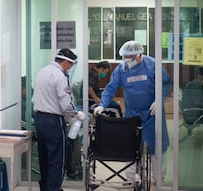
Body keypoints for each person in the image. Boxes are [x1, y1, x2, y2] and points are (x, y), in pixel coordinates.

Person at [93, 40, 171, 181]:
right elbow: (111, 88)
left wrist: (158, 100)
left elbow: (165, 83)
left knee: (156, 146)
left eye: (130, 58)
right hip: (132, 114)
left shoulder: (152, 65)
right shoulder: (122, 69)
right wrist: (103, 104)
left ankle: (159, 178)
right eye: (125, 57)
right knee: (130, 146)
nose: (127, 61)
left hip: (153, 113)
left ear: (139, 55)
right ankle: (130, 178)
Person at [32, 48, 85, 191]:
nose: (70, 68)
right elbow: (65, 103)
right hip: (53, 121)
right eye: (71, 65)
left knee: (44, 157)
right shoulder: (61, 76)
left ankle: (45, 187)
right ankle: (54, 188)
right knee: (57, 159)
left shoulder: (41, 72)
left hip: (39, 119)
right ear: (66, 63)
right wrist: (76, 114)